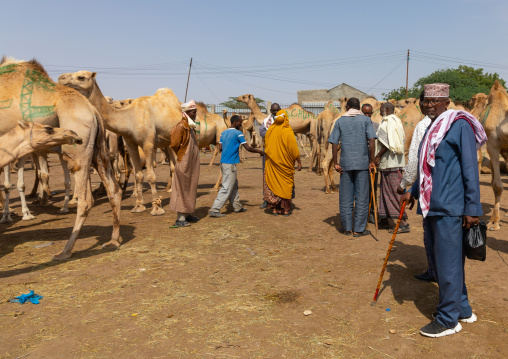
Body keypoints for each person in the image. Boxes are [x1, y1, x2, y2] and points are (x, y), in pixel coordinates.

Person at [401, 83, 487, 338]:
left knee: (446, 264)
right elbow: (430, 168)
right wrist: (413, 190)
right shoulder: (433, 127)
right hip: (434, 203)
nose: (428, 105)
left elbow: (470, 168)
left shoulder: (459, 125)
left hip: (450, 206)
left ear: (446, 101)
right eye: (425, 101)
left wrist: (473, 208)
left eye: (434, 101)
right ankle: (462, 308)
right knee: (450, 263)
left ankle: (447, 319)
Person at [397, 91, 434, 281]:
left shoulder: (423, 125)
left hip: (428, 189)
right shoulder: (456, 123)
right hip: (452, 192)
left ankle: (434, 271)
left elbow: (414, 161)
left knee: (430, 231)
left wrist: (405, 185)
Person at [328, 98, 377, 237]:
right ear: (359, 107)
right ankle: (359, 229)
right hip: (362, 163)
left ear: (347, 107)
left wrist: (336, 162)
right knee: (362, 197)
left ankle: (347, 228)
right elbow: (371, 140)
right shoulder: (366, 121)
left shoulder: (340, 121)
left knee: (345, 197)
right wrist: (372, 160)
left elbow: (334, 142)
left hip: (345, 164)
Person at [209, 115, 264, 217]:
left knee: (233, 185)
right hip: (230, 164)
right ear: (235, 122)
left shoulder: (223, 133)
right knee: (226, 187)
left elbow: (220, 148)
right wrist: (259, 151)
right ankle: (215, 209)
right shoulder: (238, 133)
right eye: (239, 122)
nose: (241, 124)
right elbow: (247, 147)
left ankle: (237, 207)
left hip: (223, 162)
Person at [374, 102, 410, 233]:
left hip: (390, 163)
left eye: (381, 109)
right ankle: (385, 218)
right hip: (395, 162)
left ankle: (403, 222)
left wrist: (377, 156)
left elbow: (387, 143)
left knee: (394, 192)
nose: (379, 111)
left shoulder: (387, 121)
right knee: (385, 191)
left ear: (387, 109)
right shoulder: (397, 121)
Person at [263, 109, 302, 216]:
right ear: (286, 118)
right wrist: (299, 161)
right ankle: (285, 210)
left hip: (273, 165)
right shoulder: (288, 130)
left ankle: (275, 209)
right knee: (285, 186)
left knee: (274, 184)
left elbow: (266, 146)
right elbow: (294, 149)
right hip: (286, 165)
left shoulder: (270, 130)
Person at [169, 100, 200, 227]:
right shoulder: (181, 126)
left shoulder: (190, 126)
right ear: (187, 112)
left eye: (195, 112)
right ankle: (180, 219)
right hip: (184, 162)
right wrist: (184, 155)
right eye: (193, 112)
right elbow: (175, 144)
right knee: (182, 188)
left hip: (192, 162)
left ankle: (187, 214)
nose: (195, 114)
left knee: (191, 186)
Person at [259, 103, 281, 209]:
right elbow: (261, 132)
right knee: (266, 174)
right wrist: (272, 133)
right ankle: (266, 199)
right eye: (274, 111)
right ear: (271, 111)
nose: (276, 112)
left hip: (280, 152)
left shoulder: (284, 121)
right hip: (268, 150)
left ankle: (280, 200)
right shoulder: (266, 121)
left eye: (277, 110)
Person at [362, 103, 378, 224]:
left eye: (369, 113)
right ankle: (362, 213)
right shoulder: (358, 125)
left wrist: (374, 160)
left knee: (373, 189)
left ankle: (372, 212)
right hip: (361, 162)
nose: (367, 116)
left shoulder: (377, 126)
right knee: (361, 189)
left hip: (372, 162)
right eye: (365, 113)